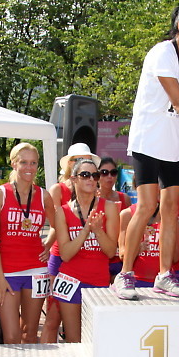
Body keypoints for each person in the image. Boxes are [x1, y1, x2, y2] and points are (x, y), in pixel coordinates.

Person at [111, 1, 179, 300]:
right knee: (147, 206)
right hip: (148, 139)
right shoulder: (161, 52)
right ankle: (125, 274)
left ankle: (164, 275)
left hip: (173, 143)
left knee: (171, 208)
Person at [0, 143, 55, 344]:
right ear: (13, 164)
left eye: (33, 163)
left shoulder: (44, 195)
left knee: (30, 333)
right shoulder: (0, 194)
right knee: (11, 336)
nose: (29, 167)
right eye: (24, 162)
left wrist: (47, 245)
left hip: (37, 270)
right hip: (7, 271)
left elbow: (58, 226)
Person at [54, 158, 118, 342]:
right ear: (74, 179)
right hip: (70, 280)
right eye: (85, 175)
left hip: (98, 281)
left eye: (95, 175)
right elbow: (65, 254)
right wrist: (85, 231)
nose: (91, 179)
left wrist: (98, 231)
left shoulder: (109, 208)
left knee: (96, 341)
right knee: (73, 341)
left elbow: (110, 251)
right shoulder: (63, 211)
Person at [41, 143, 99, 343]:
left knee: (84, 322)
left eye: (86, 159)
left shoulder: (94, 187)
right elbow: (56, 225)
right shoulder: (58, 189)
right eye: (76, 159)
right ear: (69, 164)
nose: (81, 162)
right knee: (52, 318)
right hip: (61, 257)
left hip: (88, 258)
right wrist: (46, 246)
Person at [96, 157, 131, 282]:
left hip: (119, 256)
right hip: (98, 254)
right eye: (104, 173)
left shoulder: (124, 198)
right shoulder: (92, 199)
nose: (109, 177)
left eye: (113, 173)